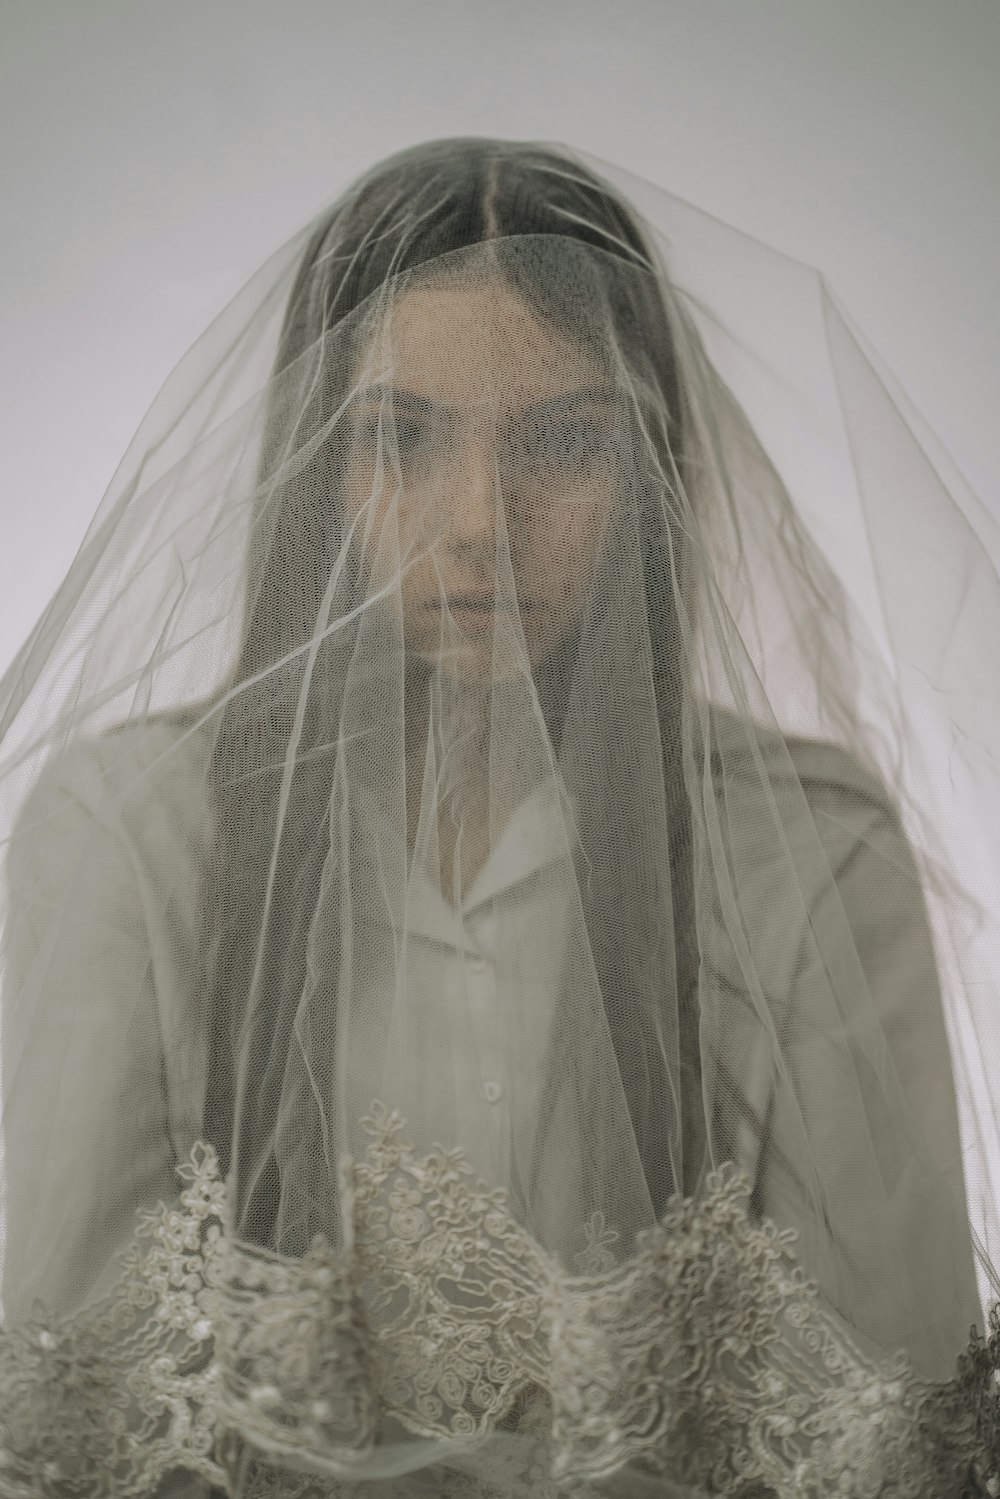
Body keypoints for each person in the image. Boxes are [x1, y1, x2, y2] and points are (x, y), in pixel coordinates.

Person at [0, 137, 998, 1497]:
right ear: (316, 468)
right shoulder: (132, 837)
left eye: (567, 442)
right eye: (401, 437)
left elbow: (892, 1432)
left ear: (655, 473)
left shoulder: (806, 854)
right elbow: (63, 1425)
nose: (478, 522)